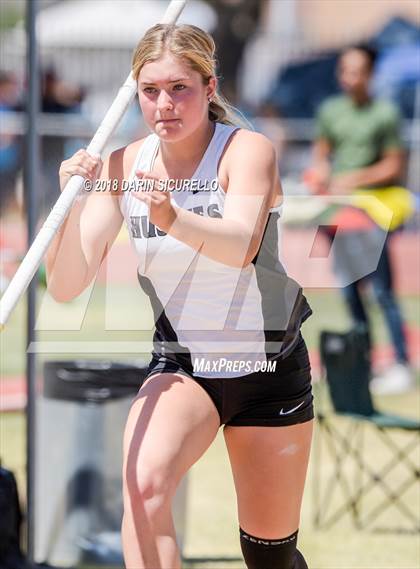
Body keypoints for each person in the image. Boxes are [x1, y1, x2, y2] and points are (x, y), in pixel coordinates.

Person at [46, 24, 313, 569]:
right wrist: (71, 204)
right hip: (185, 364)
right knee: (143, 490)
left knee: (269, 556)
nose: (164, 104)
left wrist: (171, 216)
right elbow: (66, 285)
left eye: (179, 88)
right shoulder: (122, 167)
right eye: (150, 91)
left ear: (210, 87)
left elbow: (240, 244)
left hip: (267, 368)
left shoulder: (247, 151)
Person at [310, 44, 414, 395]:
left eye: (357, 71)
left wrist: (351, 179)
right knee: (350, 291)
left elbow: (394, 165)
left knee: (382, 291)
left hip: (372, 212)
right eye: (344, 71)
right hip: (339, 212)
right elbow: (322, 154)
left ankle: (401, 363)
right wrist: (321, 175)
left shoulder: (384, 113)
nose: (349, 78)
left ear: (370, 74)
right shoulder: (330, 110)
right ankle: (363, 364)